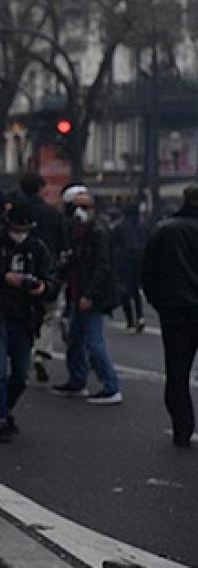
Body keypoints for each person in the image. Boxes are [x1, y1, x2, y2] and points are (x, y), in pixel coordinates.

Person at [0, 200, 60, 442]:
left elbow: (52, 278)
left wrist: (42, 287)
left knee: (20, 374)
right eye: (18, 229)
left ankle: (4, 407)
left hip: (24, 316)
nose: (21, 235)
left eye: (26, 230)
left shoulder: (37, 248)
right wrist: (2, 279)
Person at [50, 189, 124, 404]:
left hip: (89, 295)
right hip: (78, 292)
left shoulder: (98, 231)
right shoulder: (80, 231)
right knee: (75, 340)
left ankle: (111, 386)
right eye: (76, 207)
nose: (80, 212)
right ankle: (77, 381)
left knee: (93, 342)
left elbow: (102, 267)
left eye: (85, 207)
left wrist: (90, 295)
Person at [142, 186, 198, 448]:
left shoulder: (166, 230)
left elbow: (147, 272)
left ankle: (182, 430)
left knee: (177, 375)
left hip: (176, 311)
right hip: (180, 307)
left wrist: (160, 302)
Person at [19, 173, 69, 381]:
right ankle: (41, 351)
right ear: (41, 189)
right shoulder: (52, 213)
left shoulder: (17, 211)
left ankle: (20, 357)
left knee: (21, 315)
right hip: (48, 270)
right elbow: (63, 243)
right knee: (50, 314)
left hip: (20, 268)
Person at [111, 207, 149, 332]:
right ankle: (140, 316)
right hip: (140, 262)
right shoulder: (143, 227)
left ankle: (130, 320)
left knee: (124, 292)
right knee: (135, 291)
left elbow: (114, 246)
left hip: (124, 263)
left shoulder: (119, 227)